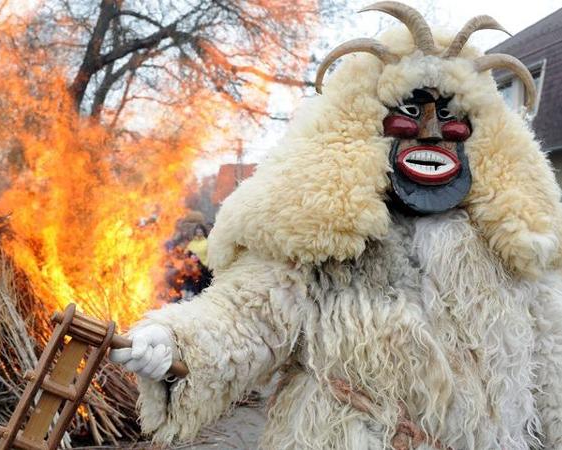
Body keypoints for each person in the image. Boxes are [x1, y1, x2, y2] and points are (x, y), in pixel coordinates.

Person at [112, 3, 562, 449]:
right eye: (411, 110)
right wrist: (173, 345)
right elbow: (245, 318)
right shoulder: (325, 236)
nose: (430, 133)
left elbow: (552, 357)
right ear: (364, 123)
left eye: (449, 117)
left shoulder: (511, 250)